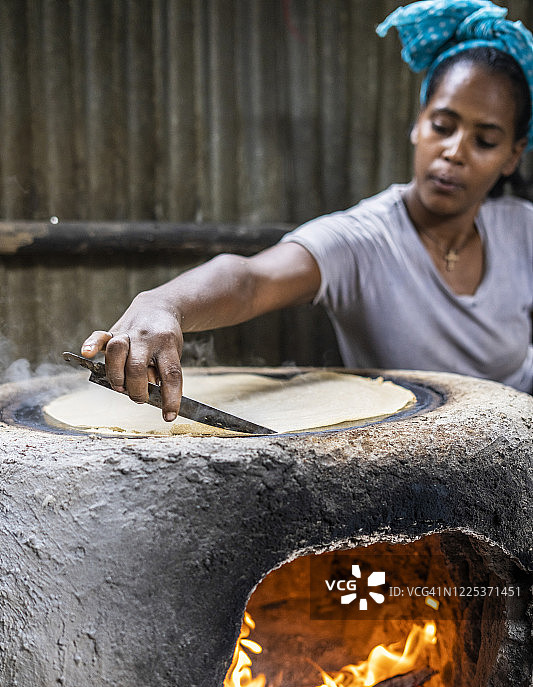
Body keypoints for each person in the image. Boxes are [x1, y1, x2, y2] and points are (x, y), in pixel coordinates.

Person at [82, 0, 533, 420]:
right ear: (418, 125)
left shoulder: (523, 230)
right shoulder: (364, 241)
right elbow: (250, 281)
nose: (454, 152)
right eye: (442, 125)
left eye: (485, 140)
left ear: (512, 155)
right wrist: (164, 304)